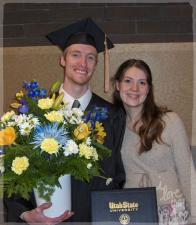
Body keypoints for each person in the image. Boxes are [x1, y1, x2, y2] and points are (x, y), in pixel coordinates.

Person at [4, 18, 126, 224]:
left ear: (96, 63)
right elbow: (12, 171)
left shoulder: (112, 115)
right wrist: (24, 214)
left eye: (90, 58)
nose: (82, 64)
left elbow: (118, 175)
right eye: (75, 55)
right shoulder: (33, 111)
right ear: (63, 59)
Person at [113, 58, 196, 224]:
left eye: (142, 82)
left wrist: (194, 216)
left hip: (172, 211)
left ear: (149, 88)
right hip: (133, 211)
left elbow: (187, 171)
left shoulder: (169, 121)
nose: (134, 88)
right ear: (117, 85)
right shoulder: (113, 126)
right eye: (128, 81)